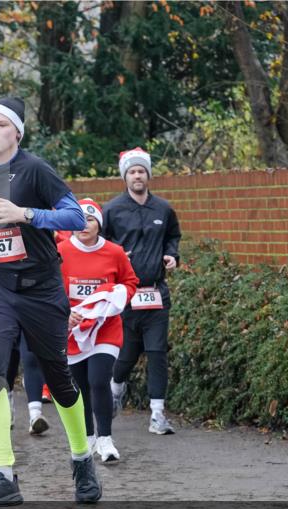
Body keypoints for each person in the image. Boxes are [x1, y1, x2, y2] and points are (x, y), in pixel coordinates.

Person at [0, 96, 101, 508]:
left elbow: (75, 217)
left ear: (17, 132)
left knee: (58, 379)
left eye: (1, 125)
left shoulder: (35, 169)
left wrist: (25, 214)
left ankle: (82, 460)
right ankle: (3, 476)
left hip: (41, 288)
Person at [102, 148, 182, 435]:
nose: (137, 176)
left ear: (148, 175)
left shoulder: (163, 209)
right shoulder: (112, 210)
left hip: (156, 293)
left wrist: (172, 255)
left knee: (157, 352)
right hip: (125, 294)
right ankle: (115, 388)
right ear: (125, 177)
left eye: (141, 171)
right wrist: (114, 259)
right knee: (126, 354)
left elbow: (173, 236)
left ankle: (157, 414)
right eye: (132, 172)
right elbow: (100, 243)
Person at [59, 198, 138, 463]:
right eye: (78, 219)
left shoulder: (115, 252)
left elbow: (130, 282)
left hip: (105, 328)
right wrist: (65, 312)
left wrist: (117, 297)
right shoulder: (60, 251)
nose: (84, 225)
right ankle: (89, 437)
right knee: (79, 386)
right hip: (72, 329)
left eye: (90, 219)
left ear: (99, 224)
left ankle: (106, 439)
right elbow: (49, 288)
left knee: (98, 380)